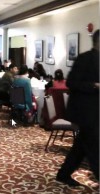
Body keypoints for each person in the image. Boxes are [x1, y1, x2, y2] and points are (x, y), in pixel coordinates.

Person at [56, 29, 99, 186]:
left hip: (94, 112)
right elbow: (71, 83)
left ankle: (63, 174)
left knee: (81, 147)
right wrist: (94, 85)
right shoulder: (84, 58)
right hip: (84, 112)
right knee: (94, 148)